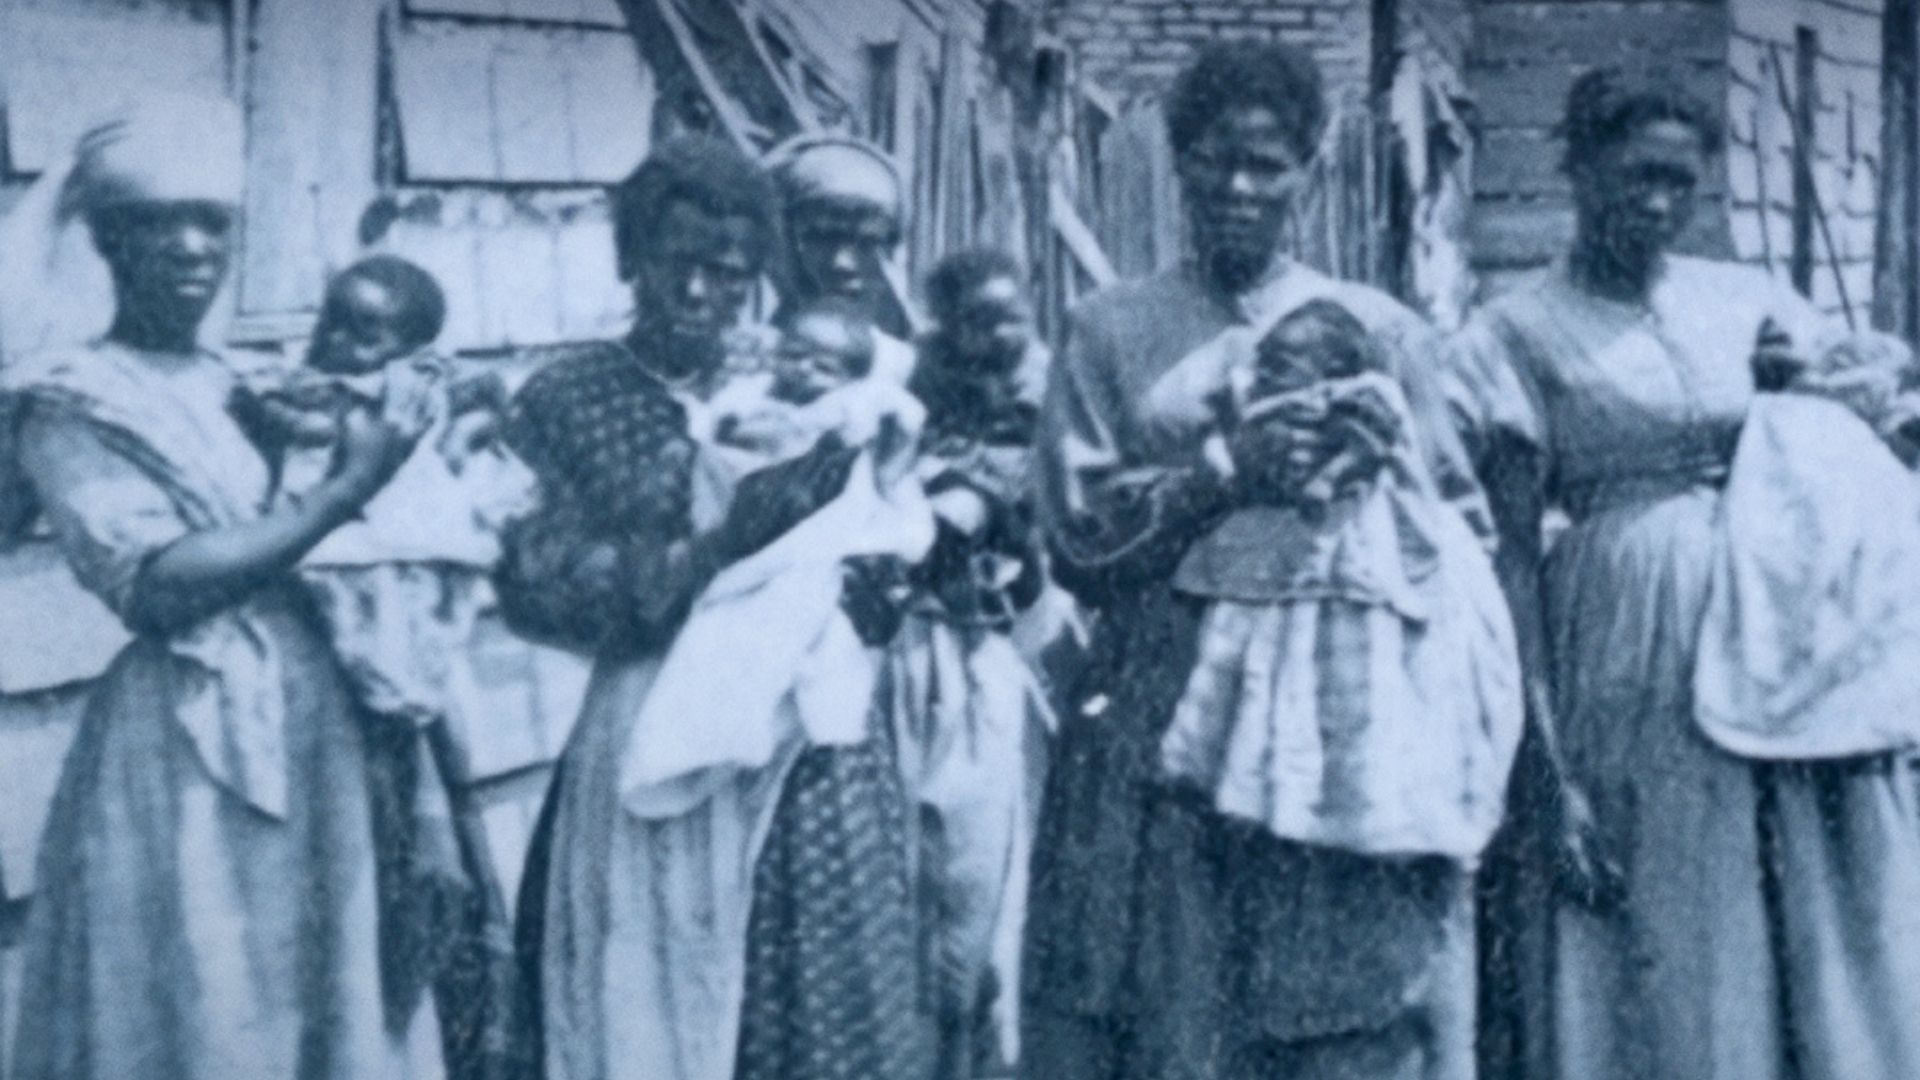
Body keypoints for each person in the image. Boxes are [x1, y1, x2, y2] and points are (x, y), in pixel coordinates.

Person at [1023, 41, 1490, 1080]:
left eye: (1266, 164)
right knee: (1171, 1016)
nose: (1238, 187)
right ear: (1178, 162)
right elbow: (1074, 548)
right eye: (1214, 159)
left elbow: (1456, 538)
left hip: (1337, 726)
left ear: (1308, 172)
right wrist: (1223, 476)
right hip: (1159, 718)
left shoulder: (1381, 330)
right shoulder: (1111, 328)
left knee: (1334, 1024)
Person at [1444, 64, 1920, 1080]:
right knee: (1657, 925)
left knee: (1796, 910)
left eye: (1679, 181)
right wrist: (1546, 763)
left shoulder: (1746, 300)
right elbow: (1514, 559)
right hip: (1621, 652)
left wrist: (1833, 393)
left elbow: (1850, 432)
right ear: (1578, 171)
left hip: (1781, 639)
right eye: (1633, 178)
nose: (1656, 203)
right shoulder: (1515, 331)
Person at [1, 94, 448, 1079]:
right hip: (188, 751)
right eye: (162, 223)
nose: (195, 247)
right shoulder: (75, 398)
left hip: (317, 730)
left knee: (321, 1001)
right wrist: (345, 492)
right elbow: (157, 585)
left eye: (214, 221)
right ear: (111, 240)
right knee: (208, 1003)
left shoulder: (243, 380)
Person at [499, 134, 933, 1080]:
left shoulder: (811, 380)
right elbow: (537, 587)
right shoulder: (566, 397)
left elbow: (888, 525)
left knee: (817, 1002)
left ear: (758, 275)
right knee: (646, 1009)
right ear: (630, 258)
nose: (700, 295)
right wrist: (708, 552)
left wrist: (874, 585)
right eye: (675, 265)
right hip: (647, 730)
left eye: (728, 274)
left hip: (810, 743)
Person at [1149, 298, 1522, 865]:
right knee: (1267, 679)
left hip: (1366, 549)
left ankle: (1374, 811)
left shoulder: (1367, 400)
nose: (1268, 373)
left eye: (1285, 362)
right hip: (1286, 560)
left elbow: (1379, 443)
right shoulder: (1258, 408)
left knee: (1374, 688)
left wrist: (1331, 470)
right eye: (1267, 361)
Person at [888, 249, 1060, 1080]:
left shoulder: (1045, 399)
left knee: (986, 896)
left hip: (999, 653)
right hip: (911, 653)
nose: (996, 338)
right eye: (974, 322)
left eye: (1010, 318)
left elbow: (1027, 513)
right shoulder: (919, 390)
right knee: (914, 893)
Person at [765, 133, 918, 385]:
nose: (842, 263)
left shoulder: (905, 367)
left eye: (868, 243)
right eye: (820, 237)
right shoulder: (750, 357)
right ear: (785, 241)